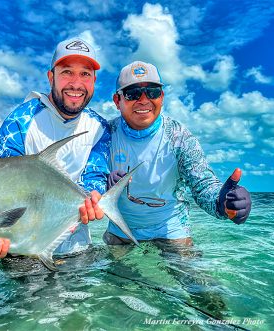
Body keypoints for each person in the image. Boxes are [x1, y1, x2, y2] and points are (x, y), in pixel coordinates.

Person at [0, 37, 109, 261]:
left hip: (78, 249)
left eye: (85, 74)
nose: (76, 83)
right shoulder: (20, 122)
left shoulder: (100, 127)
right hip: (24, 252)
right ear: (51, 77)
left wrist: (93, 197)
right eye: (67, 72)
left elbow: (95, 176)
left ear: (94, 81)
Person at [104, 61, 252, 246]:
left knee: (192, 276)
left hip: (172, 230)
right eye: (132, 93)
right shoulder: (105, 135)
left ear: (162, 97)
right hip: (120, 231)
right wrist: (104, 183)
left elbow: (203, 184)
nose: (143, 100)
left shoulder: (179, 136)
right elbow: (87, 179)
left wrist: (223, 204)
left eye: (153, 92)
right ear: (117, 101)